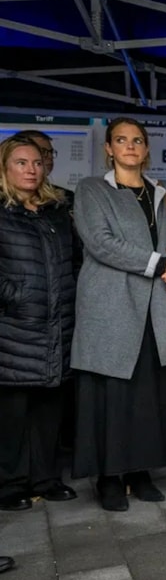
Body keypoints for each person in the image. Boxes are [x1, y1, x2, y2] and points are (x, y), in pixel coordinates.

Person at [71, 117, 166, 512]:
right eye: (121, 140)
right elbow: (100, 244)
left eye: (137, 140)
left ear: (146, 149)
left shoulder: (163, 190)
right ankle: (109, 478)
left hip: (156, 307)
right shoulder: (92, 189)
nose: (130, 146)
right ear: (108, 148)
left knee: (149, 393)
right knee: (111, 395)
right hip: (109, 306)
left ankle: (140, 472)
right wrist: (165, 266)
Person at [0, 136, 77, 512]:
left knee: (49, 408)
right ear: (5, 167)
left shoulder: (55, 210)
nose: (31, 169)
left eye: (36, 162)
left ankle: (46, 479)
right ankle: (10, 483)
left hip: (56, 326)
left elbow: (74, 261)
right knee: (13, 414)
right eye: (20, 163)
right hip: (13, 328)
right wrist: (15, 297)